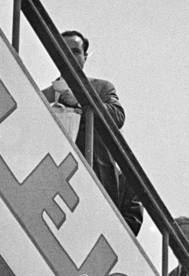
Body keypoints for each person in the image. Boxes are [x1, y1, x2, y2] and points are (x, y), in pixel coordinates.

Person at [43, 30, 143, 233]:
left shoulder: (101, 88)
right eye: (63, 50)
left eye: (75, 51)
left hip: (96, 178)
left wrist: (82, 101)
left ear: (85, 57)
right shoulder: (43, 95)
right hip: (58, 181)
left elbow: (117, 116)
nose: (69, 55)